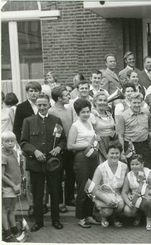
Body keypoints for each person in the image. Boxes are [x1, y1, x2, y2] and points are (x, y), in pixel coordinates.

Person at [20, 93, 66, 232]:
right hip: (36, 163)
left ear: (49, 105)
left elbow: (63, 140)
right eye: (39, 105)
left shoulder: (56, 120)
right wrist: (35, 151)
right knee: (38, 194)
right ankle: (38, 222)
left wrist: (58, 148)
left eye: (44, 105)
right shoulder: (28, 121)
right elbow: (23, 142)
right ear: (36, 106)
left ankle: (56, 220)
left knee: (54, 192)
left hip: (53, 164)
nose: (42, 107)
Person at [67, 98, 100, 228]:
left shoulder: (89, 123)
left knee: (91, 187)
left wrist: (95, 140)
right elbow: (70, 145)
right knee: (82, 187)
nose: (86, 114)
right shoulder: (75, 126)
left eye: (88, 111)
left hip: (92, 157)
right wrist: (87, 143)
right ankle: (81, 217)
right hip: (81, 158)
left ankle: (89, 215)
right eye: (83, 112)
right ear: (77, 113)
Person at [12, 81, 42, 217]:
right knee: (29, 178)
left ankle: (42, 203)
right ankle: (31, 205)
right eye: (31, 91)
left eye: (36, 90)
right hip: (28, 147)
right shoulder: (22, 107)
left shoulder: (44, 105)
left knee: (43, 177)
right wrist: (22, 145)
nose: (34, 93)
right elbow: (16, 129)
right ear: (27, 92)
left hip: (43, 147)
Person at [48, 86, 74, 211]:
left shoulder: (68, 110)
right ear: (59, 98)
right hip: (59, 148)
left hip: (70, 147)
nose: (69, 96)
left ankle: (69, 198)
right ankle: (58, 203)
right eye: (66, 95)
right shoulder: (52, 111)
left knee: (71, 173)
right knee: (58, 176)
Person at [91, 142, 128, 228]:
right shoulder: (100, 168)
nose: (114, 155)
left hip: (117, 194)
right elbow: (93, 189)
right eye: (112, 153)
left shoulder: (124, 167)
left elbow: (126, 186)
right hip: (102, 195)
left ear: (120, 154)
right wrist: (106, 200)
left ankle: (114, 217)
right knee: (107, 211)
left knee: (121, 205)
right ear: (107, 154)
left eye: (117, 153)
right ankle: (104, 216)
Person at [115, 92, 151, 170]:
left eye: (138, 102)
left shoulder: (146, 112)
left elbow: (149, 128)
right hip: (130, 146)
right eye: (134, 102)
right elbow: (120, 135)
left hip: (144, 145)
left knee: (148, 168)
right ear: (130, 102)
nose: (136, 105)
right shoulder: (123, 116)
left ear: (141, 102)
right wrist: (122, 152)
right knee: (133, 169)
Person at [122, 154, 151, 230]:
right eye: (132, 164)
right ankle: (139, 214)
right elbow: (124, 192)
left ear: (142, 164)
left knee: (147, 202)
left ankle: (149, 219)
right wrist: (128, 202)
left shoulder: (149, 173)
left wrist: (141, 193)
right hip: (134, 198)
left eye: (137, 164)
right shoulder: (129, 175)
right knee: (127, 211)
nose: (134, 166)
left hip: (147, 195)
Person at [2, 131, 23, 242]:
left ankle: (13, 228)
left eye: (12, 141)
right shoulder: (2, 156)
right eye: (7, 141)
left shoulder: (14, 152)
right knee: (5, 209)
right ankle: (6, 232)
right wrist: (13, 185)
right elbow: (1, 175)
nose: (10, 143)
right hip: (8, 187)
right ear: (2, 142)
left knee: (12, 209)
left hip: (16, 186)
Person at [91, 91, 116, 163]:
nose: (103, 102)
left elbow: (112, 129)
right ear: (95, 102)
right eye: (100, 100)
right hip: (99, 146)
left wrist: (112, 139)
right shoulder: (92, 115)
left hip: (110, 144)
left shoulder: (109, 114)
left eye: (105, 100)